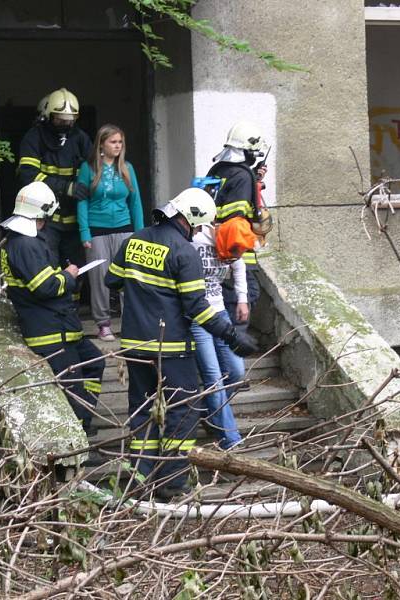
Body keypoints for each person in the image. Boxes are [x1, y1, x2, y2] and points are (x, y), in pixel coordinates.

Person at [105, 188, 257, 501]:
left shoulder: (133, 240)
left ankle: (139, 478)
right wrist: (231, 335)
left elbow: (111, 280)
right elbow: (198, 308)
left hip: (134, 345)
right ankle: (172, 483)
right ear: (191, 220)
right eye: (201, 226)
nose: (200, 232)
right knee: (183, 412)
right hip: (171, 347)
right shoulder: (183, 252)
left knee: (142, 411)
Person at [0, 181, 104, 435]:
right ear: (40, 213)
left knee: (94, 364)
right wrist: (68, 275)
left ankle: (85, 424)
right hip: (51, 334)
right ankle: (79, 447)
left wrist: (63, 276)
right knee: (72, 393)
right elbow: (44, 287)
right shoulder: (25, 244)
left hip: (63, 329)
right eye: (46, 216)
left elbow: (40, 279)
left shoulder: (22, 240)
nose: (47, 222)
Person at [75, 124, 144, 342]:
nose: (118, 146)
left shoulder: (127, 168)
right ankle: (103, 323)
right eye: (113, 142)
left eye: (120, 142)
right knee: (99, 278)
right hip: (97, 230)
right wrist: (84, 233)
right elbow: (82, 201)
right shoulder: (88, 168)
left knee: (127, 277)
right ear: (101, 144)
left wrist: (139, 233)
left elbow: (136, 202)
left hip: (124, 229)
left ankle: (130, 323)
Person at [17, 88, 92, 269]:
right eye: (60, 120)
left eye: (70, 120)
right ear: (48, 116)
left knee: (77, 269)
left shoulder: (80, 138)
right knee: (48, 266)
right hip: (45, 220)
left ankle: (73, 298)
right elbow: (28, 175)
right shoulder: (34, 138)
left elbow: (94, 169)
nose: (65, 124)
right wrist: (67, 188)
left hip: (75, 221)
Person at [206, 121, 269, 332]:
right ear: (247, 150)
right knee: (244, 298)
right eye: (254, 152)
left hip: (213, 248)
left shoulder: (217, 169)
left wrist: (254, 180)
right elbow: (236, 218)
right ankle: (234, 352)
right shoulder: (243, 176)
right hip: (235, 252)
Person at [190, 223, 247, 449]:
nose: (231, 259)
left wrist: (242, 298)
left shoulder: (233, 241)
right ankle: (230, 439)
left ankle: (206, 411)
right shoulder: (194, 241)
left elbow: (240, 267)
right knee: (213, 377)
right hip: (197, 317)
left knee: (236, 371)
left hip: (220, 312)